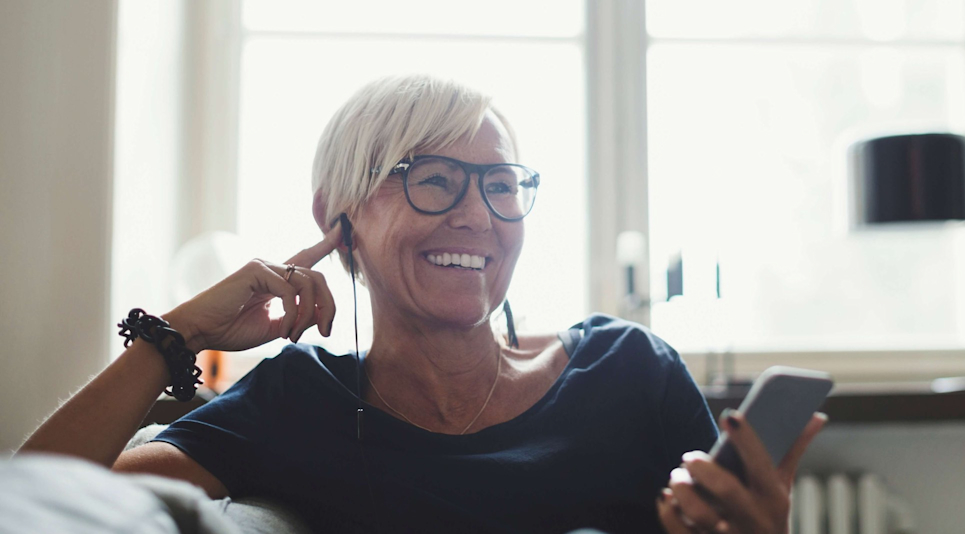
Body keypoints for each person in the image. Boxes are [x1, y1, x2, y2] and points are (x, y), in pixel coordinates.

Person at [18, 74, 825, 533]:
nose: (477, 215)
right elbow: (38, 497)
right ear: (339, 217)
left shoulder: (630, 371)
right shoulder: (299, 399)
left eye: (501, 185)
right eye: (433, 179)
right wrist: (179, 332)